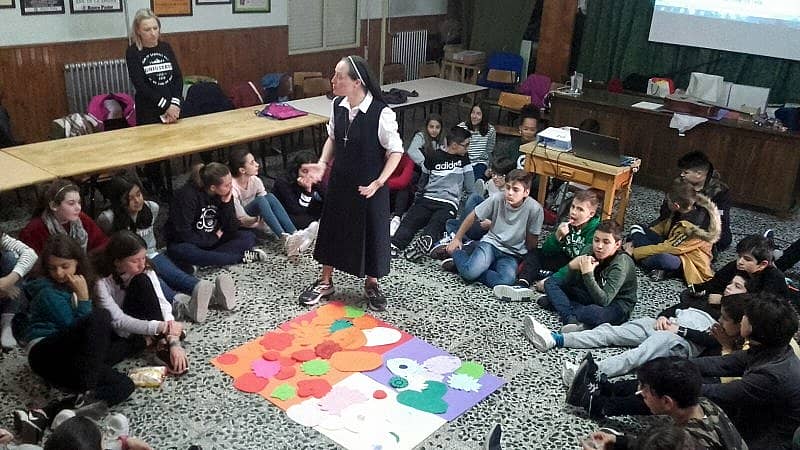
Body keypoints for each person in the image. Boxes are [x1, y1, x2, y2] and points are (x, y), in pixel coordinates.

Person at [297, 55, 404, 312]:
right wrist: (322, 163)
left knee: (372, 232)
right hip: (341, 180)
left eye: (339, 76)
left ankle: (372, 283)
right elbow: (333, 138)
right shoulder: (338, 105)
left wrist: (379, 182)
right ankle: (325, 281)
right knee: (332, 229)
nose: (333, 80)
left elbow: (396, 151)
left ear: (357, 82)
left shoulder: (381, 113)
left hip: (370, 185)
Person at [16, 235, 134, 444]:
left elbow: (89, 341)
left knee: (125, 385)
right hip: (45, 352)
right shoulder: (46, 292)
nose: (59, 273)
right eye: (53, 268)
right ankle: (85, 387)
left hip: (69, 362)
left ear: (77, 263)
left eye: (65, 266)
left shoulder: (81, 281)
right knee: (101, 317)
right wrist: (84, 299)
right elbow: (77, 330)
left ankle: (45, 413)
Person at [525, 289, 749, 381]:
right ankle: (556, 339)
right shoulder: (717, 305)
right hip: (668, 324)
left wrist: (679, 330)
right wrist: (663, 317)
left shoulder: (728, 336)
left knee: (637, 355)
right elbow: (680, 303)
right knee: (613, 332)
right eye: (731, 283)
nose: (730, 287)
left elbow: (707, 342)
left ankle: (589, 373)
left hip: (679, 339)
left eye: (737, 286)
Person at [97, 174, 233, 323]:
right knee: (157, 282)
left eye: (138, 194)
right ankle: (183, 306)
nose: (137, 201)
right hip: (130, 264)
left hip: (151, 254)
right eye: (130, 198)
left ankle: (212, 293)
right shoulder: (108, 218)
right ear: (119, 201)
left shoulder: (151, 208)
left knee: (176, 275)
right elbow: (108, 247)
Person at [693, 293, 800, 449]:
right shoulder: (772, 349)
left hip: (765, 441)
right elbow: (723, 364)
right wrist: (676, 365)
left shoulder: (772, 375)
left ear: (752, 327)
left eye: (746, 316)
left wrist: (672, 379)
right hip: (757, 421)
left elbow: (720, 393)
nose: (742, 317)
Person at [579, 357, 747, 450]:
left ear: (667, 401)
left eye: (645, 390)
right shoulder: (704, 405)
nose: (640, 393)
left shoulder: (690, 442)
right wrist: (618, 440)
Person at [94, 230, 190, 375]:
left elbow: (161, 302)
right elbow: (118, 321)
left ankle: (160, 344)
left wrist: (172, 337)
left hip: (149, 322)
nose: (141, 265)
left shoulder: (145, 270)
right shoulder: (101, 282)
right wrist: (159, 327)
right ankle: (148, 340)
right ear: (117, 262)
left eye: (143, 258)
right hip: (120, 328)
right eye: (134, 261)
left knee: (142, 280)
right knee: (104, 357)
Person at [493, 188, 602, 302]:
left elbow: (580, 263)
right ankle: (522, 285)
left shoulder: (595, 231)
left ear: (591, 214)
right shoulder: (569, 223)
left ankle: (549, 281)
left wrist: (552, 280)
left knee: (574, 282)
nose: (573, 212)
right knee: (535, 253)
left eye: (580, 209)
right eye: (573, 207)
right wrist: (557, 237)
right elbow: (546, 250)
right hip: (564, 259)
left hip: (578, 268)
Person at [441, 169, 543, 288]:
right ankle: (457, 253)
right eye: (508, 187)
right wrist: (457, 238)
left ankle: (467, 266)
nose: (510, 193)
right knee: (469, 273)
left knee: (507, 280)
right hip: (491, 244)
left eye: (515, 190)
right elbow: (473, 215)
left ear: (526, 192)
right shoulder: (497, 198)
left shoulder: (535, 209)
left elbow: (532, 242)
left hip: (512, 253)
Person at [390, 125, 475, 262]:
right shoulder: (433, 156)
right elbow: (423, 180)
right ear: (454, 145)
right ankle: (397, 244)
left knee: (436, 223)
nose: (468, 148)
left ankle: (420, 244)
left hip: (447, 203)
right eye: (466, 145)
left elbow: (470, 186)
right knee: (412, 220)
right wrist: (418, 197)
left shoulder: (463, 158)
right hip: (430, 199)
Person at [537, 220, 637, 333]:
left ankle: (564, 307)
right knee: (550, 282)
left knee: (591, 312)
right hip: (589, 293)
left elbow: (604, 301)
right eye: (596, 240)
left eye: (606, 242)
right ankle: (570, 318)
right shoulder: (588, 250)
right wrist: (571, 267)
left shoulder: (621, 264)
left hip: (616, 303)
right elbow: (571, 281)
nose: (599, 246)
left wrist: (588, 274)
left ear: (617, 244)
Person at [164, 162, 267, 268]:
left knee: (248, 237)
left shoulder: (225, 194)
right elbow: (183, 233)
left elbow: (231, 227)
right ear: (213, 187)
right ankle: (240, 258)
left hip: (214, 239)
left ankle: (201, 261)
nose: (231, 187)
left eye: (231, 183)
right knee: (184, 251)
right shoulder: (187, 196)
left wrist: (226, 204)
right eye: (227, 185)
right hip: (191, 242)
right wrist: (211, 239)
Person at [125, 8, 183, 193]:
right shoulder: (133, 52)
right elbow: (141, 85)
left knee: (170, 147)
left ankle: (166, 181)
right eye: (147, 29)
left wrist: (175, 104)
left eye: (155, 28)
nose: (152, 33)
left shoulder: (166, 47)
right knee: (154, 151)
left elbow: (177, 77)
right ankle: (156, 184)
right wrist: (165, 106)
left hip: (171, 107)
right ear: (138, 31)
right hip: (149, 109)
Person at [626, 179, 720, 283]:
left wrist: (635, 252)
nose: (666, 202)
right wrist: (643, 238)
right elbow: (663, 227)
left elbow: (669, 248)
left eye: (668, 200)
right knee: (637, 227)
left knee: (661, 259)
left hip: (686, 258)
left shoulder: (692, 227)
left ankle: (639, 256)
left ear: (676, 205)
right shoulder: (683, 209)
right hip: (670, 243)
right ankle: (649, 263)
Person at [228, 147, 317, 257]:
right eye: (252, 163)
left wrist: (265, 217)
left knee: (269, 197)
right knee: (261, 200)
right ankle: (284, 239)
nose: (257, 164)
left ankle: (295, 235)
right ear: (242, 170)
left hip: (255, 218)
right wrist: (258, 219)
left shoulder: (255, 180)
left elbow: (267, 202)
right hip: (240, 221)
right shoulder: (232, 187)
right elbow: (241, 218)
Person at [431, 154, 517, 249]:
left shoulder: (513, 193)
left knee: (453, 224)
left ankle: (459, 237)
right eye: (493, 174)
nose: (495, 178)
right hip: (486, 217)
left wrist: (492, 224)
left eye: (500, 175)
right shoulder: (491, 184)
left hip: (495, 227)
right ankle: (462, 238)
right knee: (473, 200)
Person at [686, 235, 789, 307]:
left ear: (762, 264)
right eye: (739, 256)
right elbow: (715, 283)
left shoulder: (774, 278)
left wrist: (724, 300)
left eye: (747, 259)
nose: (740, 262)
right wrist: (697, 290)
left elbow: (763, 306)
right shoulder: (735, 266)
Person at [661, 151, 731, 252]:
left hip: (703, 231)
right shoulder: (680, 183)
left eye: (686, 172)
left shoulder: (720, 191)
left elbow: (719, 220)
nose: (681, 175)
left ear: (699, 174)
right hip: (677, 224)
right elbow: (665, 210)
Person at [20, 179, 109, 255]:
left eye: (79, 202)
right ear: (54, 206)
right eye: (71, 203)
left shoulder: (82, 219)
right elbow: (32, 262)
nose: (78, 207)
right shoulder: (34, 231)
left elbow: (102, 243)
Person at [0, 232, 37, 350]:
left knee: (11, 258)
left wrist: (9, 280)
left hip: (6, 294)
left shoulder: (3, 239)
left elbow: (30, 254)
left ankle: (7, 324)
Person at [272, 152, 324, 231]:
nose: (308, 175)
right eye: (305, 171)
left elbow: (327, 198)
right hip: (288, 214)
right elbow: (297, 210)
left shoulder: (315, 178)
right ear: (297, 170)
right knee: (310, 222)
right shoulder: (283, 182)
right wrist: (307, 191)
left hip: (306, 211)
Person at [458, 103, 496, 180]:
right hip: (464, 161)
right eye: (473, 113)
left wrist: (490, 167)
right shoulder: (461, 127)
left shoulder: (490, 130)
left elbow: (489, 151)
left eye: (478, 114)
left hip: (480, 162)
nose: (474, 116)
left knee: (476, 178)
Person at [386, 152, 415, 236]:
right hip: (386, 194)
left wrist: (382, 182)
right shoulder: (380, 158)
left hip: (403, 198)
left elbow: (403, 182)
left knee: (404, 189)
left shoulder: (408, 159)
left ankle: (396, 219)